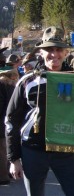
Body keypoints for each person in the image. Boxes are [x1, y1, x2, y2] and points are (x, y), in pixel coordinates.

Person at [5, 26, 74, 196]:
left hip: (65, 149)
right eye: (49, 49)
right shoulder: (27, 82)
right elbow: (11, 120)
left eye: (59, 49)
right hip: (33, 150)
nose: (54, 54)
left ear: (65, 52)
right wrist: (14, 159)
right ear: (41, 52)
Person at [0, 51, 19, 186]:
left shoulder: (2, 86)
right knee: (6, 149)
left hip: (2, 121)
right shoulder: (14, 86)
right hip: (10, 121)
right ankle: (8, 173)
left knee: (2, 151)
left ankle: (3, 177)